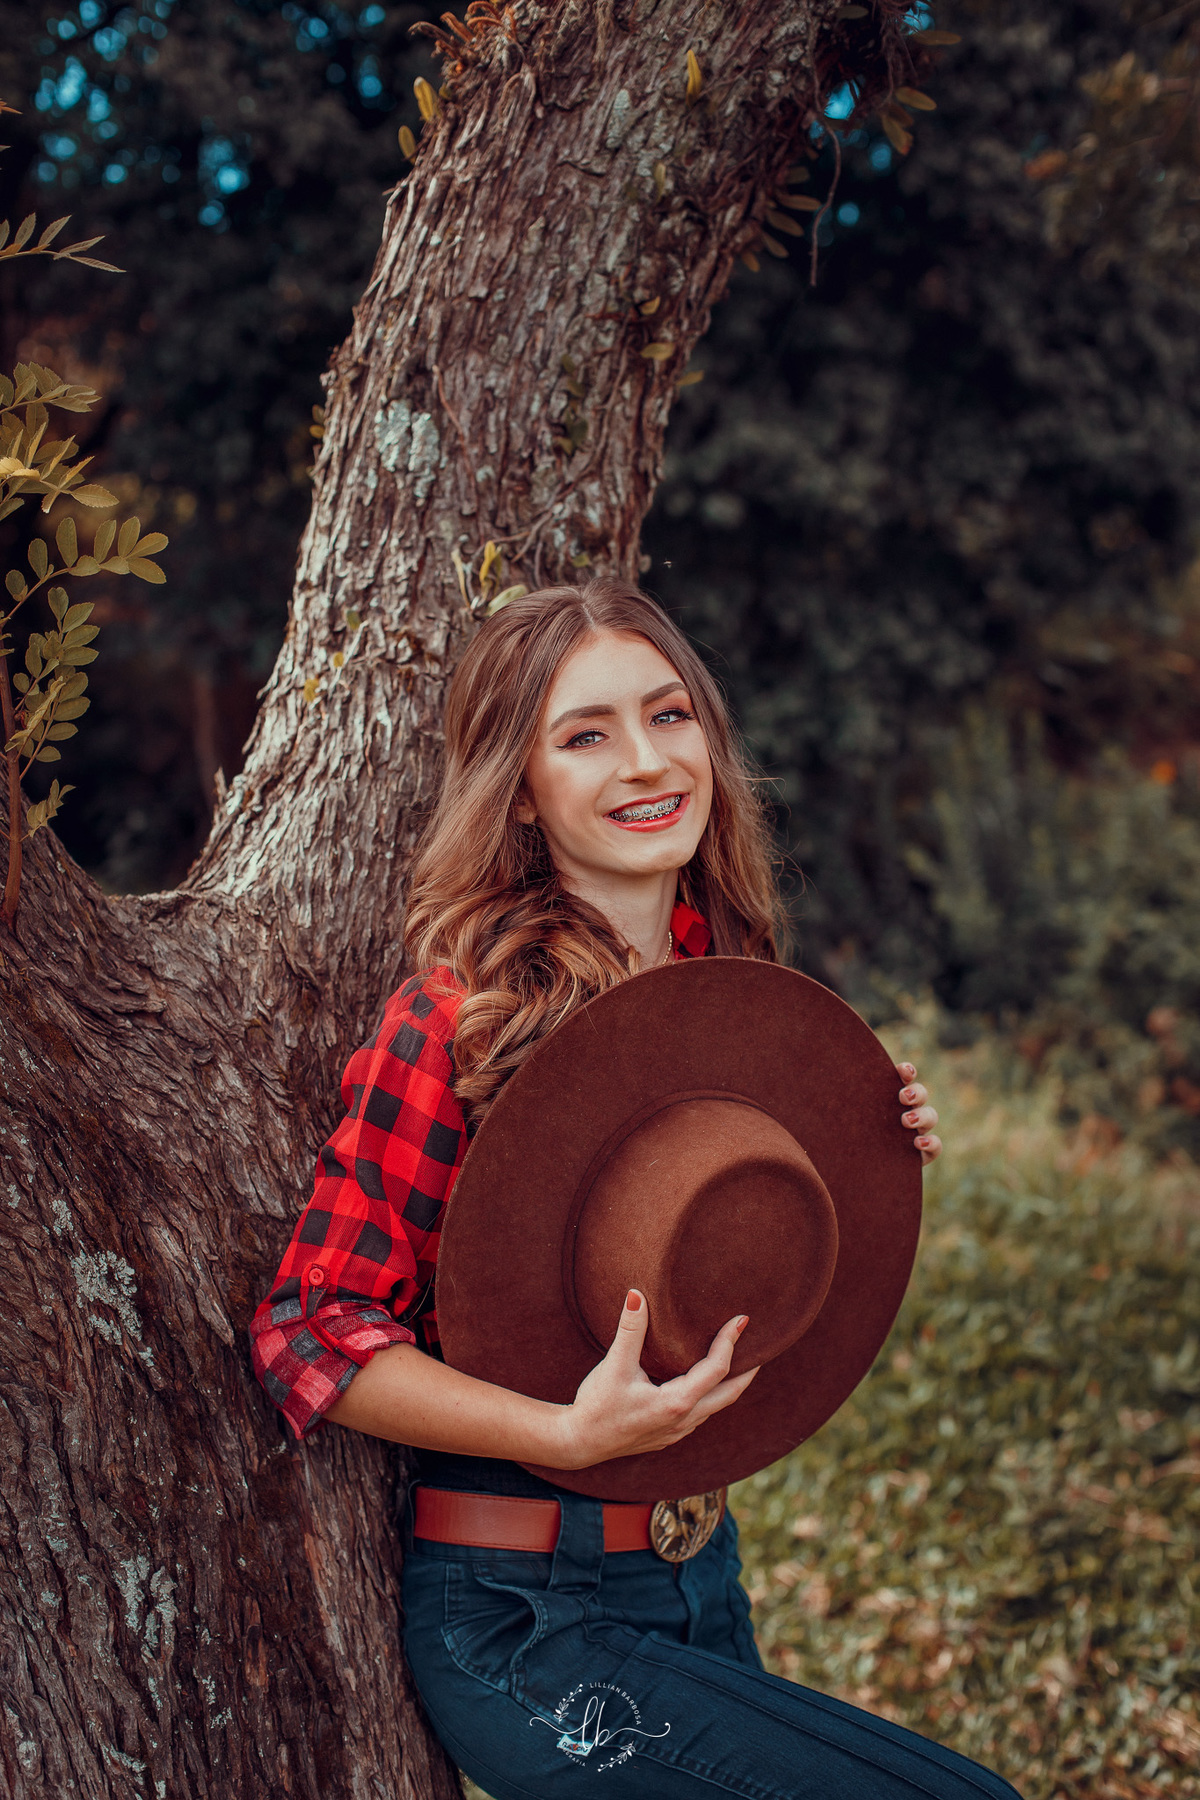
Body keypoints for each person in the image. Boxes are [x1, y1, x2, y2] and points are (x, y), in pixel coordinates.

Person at [252, 581, 1019, 1800]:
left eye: (670, 715)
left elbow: (728, 1243)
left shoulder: (726, 983)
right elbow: (308, 1329)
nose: (648, 760)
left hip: (696, 1569)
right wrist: (563, 1434)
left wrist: (863, 1141)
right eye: (587, 734)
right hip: (519, 1619)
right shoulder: (453, 1025)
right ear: (518, 788)